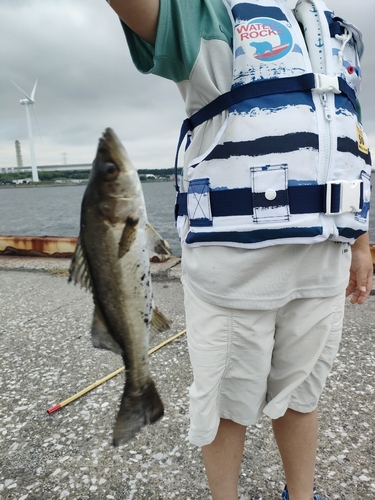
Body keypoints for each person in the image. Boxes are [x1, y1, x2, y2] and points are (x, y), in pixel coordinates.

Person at [106, 1, 373, 499]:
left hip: (323, 270)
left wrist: (360, 242)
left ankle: (302, 493)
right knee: (227, 407)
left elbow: (344, 142)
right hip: (232, 282)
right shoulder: (208, 19)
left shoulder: (335, 36)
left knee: (303, 398)